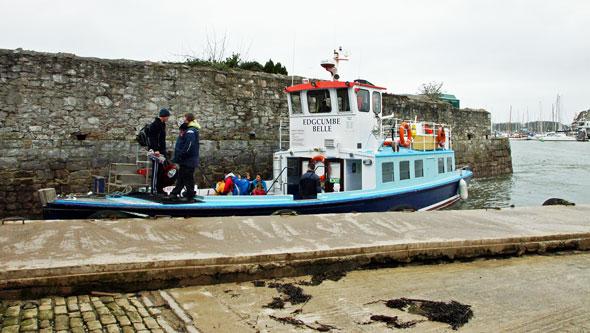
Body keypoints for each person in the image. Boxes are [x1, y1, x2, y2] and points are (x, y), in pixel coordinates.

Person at [168, 113, 200, 202]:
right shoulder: (188, 130)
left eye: (184, 117)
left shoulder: (191, 131)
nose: (183, 119)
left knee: (188, 177)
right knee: (181, 177)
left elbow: (189, 145)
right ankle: (175, 193)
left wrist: (181, 154)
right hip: (185, 159)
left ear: (187, 119)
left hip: (188, 159)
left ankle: (189, 196)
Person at [148, 108, 170, 194]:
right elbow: (152, 137)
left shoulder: (162, 124)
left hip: (161, 151)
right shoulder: (155, 124)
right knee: (156, 170)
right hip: (156, 151)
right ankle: (154, 189)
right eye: (167, 116)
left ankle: (159, 188)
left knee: (161, 170)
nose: (168, 118)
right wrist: (155, 149)